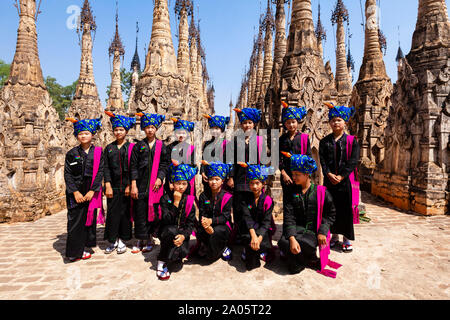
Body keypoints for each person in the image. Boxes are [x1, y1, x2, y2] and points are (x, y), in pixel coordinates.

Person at [278, 153, 336, 274]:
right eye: (293, 174)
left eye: (297, 174)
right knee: (284, 242)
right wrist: (292, 238)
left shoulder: (322, 192)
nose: (293, 177)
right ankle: (306, 258)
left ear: (307, 174)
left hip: (312, 232)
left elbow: (330, 214)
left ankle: (301, 256)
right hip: (295, 230)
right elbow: (289, 216)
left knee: (305, 245)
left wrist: (323, 231)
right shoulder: (291, 191)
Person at [319, 103, 360, 253]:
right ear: (329, 122)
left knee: (345, 209)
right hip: (329, 181)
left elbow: (353, 161)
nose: (336, 123)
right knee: (330, 209)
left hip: (345, 182)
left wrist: (342, 176)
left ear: (345, 122)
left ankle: (347, 238)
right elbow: (322, 161)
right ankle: (334, 236)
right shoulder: (325, 142)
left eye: (339, 120)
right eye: (333, 120)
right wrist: (329, 174)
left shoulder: (351, 141)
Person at [64, 117, 104, 262]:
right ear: (76, 135)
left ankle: (86, 246)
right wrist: (75, 192)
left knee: (89, 218)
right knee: (75, 220)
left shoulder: (99, 152)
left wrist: (93, 190)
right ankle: (74, 253)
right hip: (75, 191)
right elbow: (67, 174)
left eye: (86, 133)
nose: (83, 136)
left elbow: (100, 172)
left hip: (90, 190)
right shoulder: (71, 153)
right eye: (80, 133)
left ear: (92, 134)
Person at [130, 112, 170, 254]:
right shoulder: (138, 146)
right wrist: (133, 184)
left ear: (156, 128)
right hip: (140, 184)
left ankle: (149, 239)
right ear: (143, 129)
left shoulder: (161, 145)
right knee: (140, 211)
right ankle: (140, 238)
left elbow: (164, 164)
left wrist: (160, 178)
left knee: (152, 212)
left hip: (155, 185)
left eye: (152, 127)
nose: (150, 130)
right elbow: (133, 166)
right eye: (147, 127)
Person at [227, 108, 265, 242]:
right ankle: (239, 233)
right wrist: (231, 176)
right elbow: (230, 159)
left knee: (252, 207)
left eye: (249, 122)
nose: (247, 125)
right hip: (239, 178)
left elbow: (264, 161)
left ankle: (252, 234)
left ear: (254, 124)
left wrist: (262, 178)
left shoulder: (260, 140)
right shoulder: (236, 140)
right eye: (244, 123)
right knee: (238, 207)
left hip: (254, 180)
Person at [157, 161, 197, 280]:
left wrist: (184, 236)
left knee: (182, 252)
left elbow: (190, 224)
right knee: (171, 229)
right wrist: (175, 202)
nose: (180, 187)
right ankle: (161, 261)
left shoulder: (190, 201)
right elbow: (166, 220)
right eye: (178, 183)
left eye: (184, 184)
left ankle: (174, 253)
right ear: (172, 183)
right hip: (166, 232)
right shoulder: (165, 199)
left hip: (181, 234)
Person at [103, 111, 136, 254]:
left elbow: (133, 167)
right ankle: (112, 240)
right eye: (116, 130)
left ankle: (123, 239)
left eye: (121, 130)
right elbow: (106, 167)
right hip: (113, 186)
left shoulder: (131, 148)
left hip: (127, 186)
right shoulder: (109, 148)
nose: (118, 132)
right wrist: (108, 184)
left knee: (125, 213)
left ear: (126, 131)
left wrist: (130, 185)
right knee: (112, 213)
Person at [279, 101, 311, 231]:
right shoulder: (281, 139)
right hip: (287, 176)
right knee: (288, 203)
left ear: (297, 122)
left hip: (301, 177)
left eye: (293, 122)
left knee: (301, 202)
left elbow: (308, 156)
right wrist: (284, 173)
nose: (291, 125)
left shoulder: (303, 138)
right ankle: (288, 230)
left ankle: (301, 229)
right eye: (288, 122)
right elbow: (278, 158)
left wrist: (304, 175)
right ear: (285, 124)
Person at [238, 163, 276, 271]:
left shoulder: (268, 200)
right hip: (249, 231)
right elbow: (247, 218)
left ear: (263, 184)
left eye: (257, 183)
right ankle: (251, 250)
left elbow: (267, 222)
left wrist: (258, 238)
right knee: (251, 265)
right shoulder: (245, 199)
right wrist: (253, 236)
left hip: (262, 232)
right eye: (251, 183)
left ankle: (259, 249)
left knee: (258, 246)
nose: (254, 186)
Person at [196, 161, 233, 262]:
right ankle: (208, 245)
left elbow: (225, 217)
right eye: (211, 179)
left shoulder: (227, 197)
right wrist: (206, 225)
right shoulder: (203, 196)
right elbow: (202, 213)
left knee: (216, 232)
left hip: (222, 225)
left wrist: (211, 222)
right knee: (199, 231)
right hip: (206, 223)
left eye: (217, 179)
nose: (214, 182)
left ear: (222, 181)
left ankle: (222, 248)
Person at [164, 118, 197, 196]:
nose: (181, 135)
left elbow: (192, 165)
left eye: (184, 133)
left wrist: (179, 164)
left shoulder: (191, 148)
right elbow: (166, 166)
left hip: (186, 183)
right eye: (179, 133)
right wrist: (170, 182)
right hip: (172, 183)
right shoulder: (169, 148)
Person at [200, 114, 230, 194]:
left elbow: (229, 161)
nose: (214, 131)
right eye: (212, 129)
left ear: (221, 130)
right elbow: (203, 159)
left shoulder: (226, 144)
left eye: (217, 128)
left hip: (220, 178)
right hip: (208, 176)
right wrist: (202, 172)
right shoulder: (207, 143)